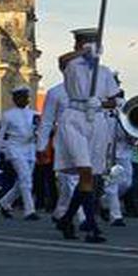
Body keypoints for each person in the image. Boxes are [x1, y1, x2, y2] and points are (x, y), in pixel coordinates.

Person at [47, 28, 122, 243]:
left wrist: (101, 102)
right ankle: (91, 226)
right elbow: (61, 60)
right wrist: (82, 53)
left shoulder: (105, 71)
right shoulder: (71, 66)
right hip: (74, 117)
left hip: (96, 119)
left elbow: (116, 99)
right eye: (85, 43)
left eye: (93, 43)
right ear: (78, 45)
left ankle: (68, 219)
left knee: (92, 176)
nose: (91, 47)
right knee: (85, 172)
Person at [37, 81, 79, 228]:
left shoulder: (89, 89)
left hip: (85, 140)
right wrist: (41, 146)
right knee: (70, 181)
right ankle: (82, 218)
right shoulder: (55, 92)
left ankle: (60, 212)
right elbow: (46, 122)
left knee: (76, 181)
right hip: (63, 142)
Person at [0, 84, 39, 220]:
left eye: (26, 97)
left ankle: (5, 202)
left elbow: (39, 131)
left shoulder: (33, 114)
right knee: (25, 178)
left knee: (23, 181)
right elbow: (0, 136)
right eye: (21, 97)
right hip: (14, 148)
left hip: (30, 148)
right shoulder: (8, 115)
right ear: (15, 99)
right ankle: (29, 210)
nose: (25, 99)